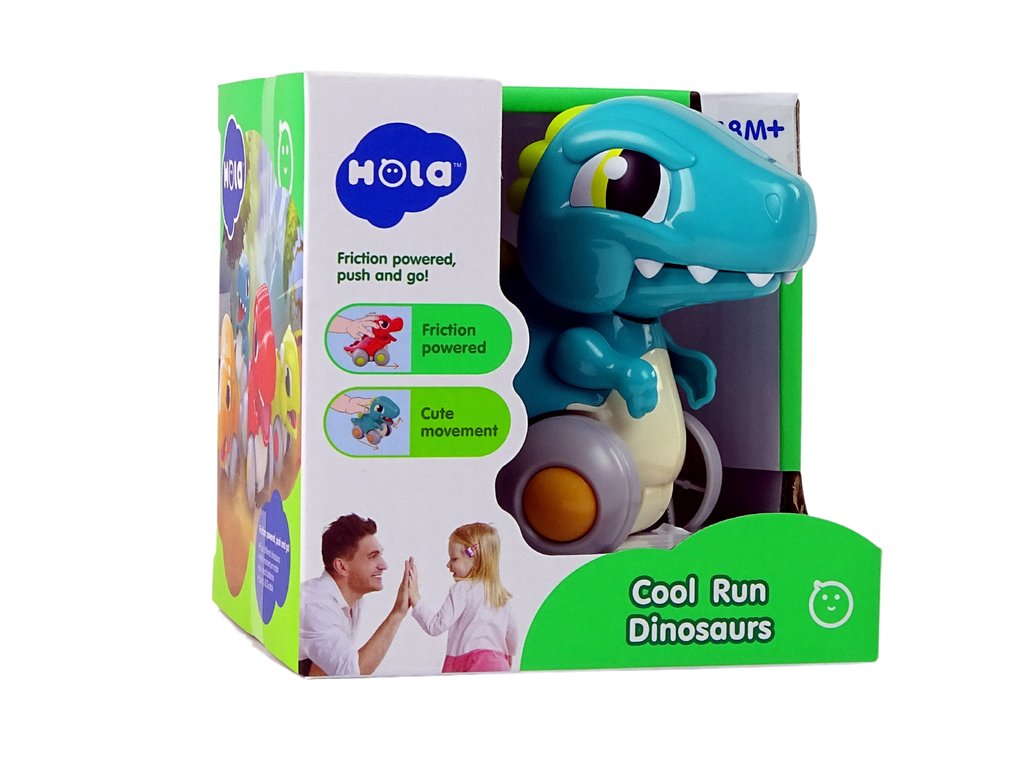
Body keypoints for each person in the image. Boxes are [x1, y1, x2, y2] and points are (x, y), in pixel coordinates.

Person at [299, 514, 411, 676]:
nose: (383, 565)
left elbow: (331, 668)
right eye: (373, 556)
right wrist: (397, 613)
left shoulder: (352, 600)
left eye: (380, 555)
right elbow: (350, 674)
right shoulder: (316, 606)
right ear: (341, 567)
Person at [409, 523, 517, 673]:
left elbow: (436, 626)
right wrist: (509, 655)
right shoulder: (501, 595)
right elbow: (512, 633)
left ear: (475, 559)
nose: (448, 564)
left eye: (454, 559)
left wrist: (415, 598)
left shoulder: (462, 589)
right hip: (499, 665)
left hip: (468, 665)